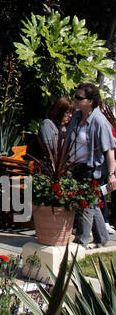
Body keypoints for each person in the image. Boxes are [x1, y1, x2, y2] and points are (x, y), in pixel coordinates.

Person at [64, 83, 115, 249]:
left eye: (80, 98)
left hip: (92, 169)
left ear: (91, 101)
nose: (75, 100)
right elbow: (68, 142)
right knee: (91, 203)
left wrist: (112, 174)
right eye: (75, 96)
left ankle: (81, 240)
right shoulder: (76, 118)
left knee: (85, 203)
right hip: (75, 166)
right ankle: (102, 238)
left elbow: (109, 150)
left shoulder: (100, 121)